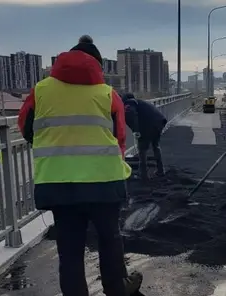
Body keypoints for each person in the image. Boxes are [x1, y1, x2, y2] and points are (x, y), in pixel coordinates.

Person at [18, 38, 142, 296]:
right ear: (96, 64)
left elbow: (26, 128)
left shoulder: (41, 91)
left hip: (59, 183)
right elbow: (119, 137)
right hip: (104, 183)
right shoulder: (107, 94)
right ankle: (117, 289)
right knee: (110, 240)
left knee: (70, 251)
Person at [122, 93, 167, 181]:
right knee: (156, 146)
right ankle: (160, 171)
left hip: (148, 126)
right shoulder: (140, 102)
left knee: (142, 150)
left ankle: (143, 175)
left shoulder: (129, 103)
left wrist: (135, 130)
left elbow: (131, 115)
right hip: (159, 122)